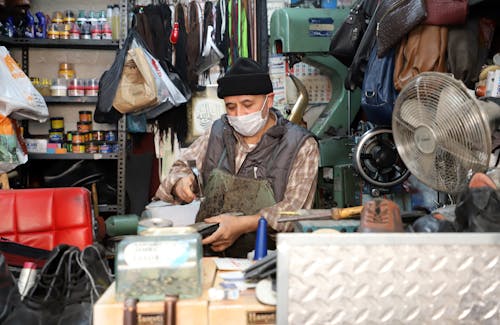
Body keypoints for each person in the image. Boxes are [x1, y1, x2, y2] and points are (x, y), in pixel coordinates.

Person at [155, 57, 319, 257]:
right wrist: (181, 183)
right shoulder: (219, 132)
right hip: (211, 255)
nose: (239, 114)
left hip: (269, 261)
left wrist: (242, 225)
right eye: (231, 107)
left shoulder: (300, 145)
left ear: (269, 100)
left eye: (247, 104)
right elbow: (179, 169)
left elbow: (294, 213)